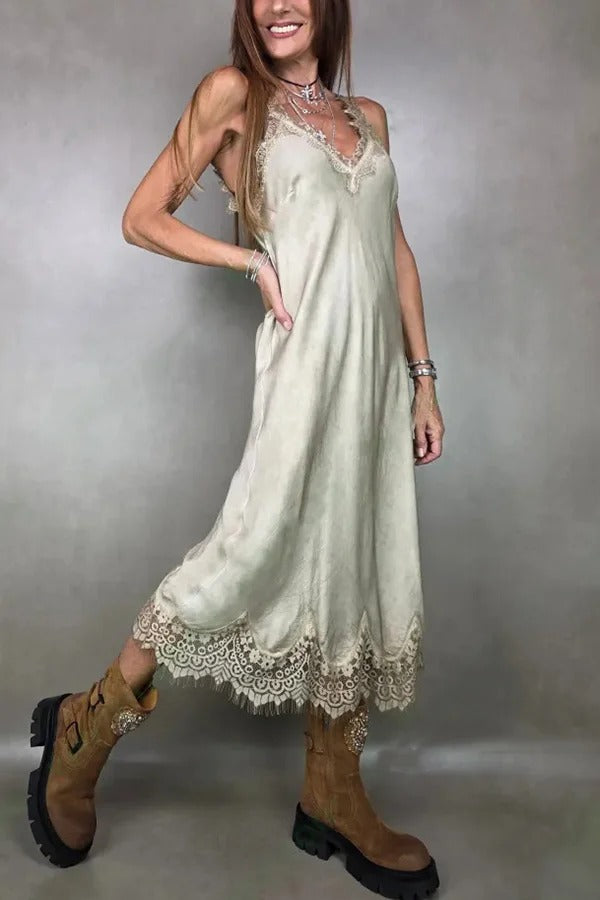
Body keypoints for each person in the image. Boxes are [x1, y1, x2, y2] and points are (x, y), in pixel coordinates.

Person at [26, 1, 445, 896]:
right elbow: (142, 216)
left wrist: (423, 378)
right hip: (304, 372)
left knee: (356, 562)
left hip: (374, 384)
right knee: (243, 555)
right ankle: (81, 733)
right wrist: (251, 262)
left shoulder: (367, 118)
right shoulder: (232, 96)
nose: (279, 4)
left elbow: (396, 251)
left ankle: (333, 793)